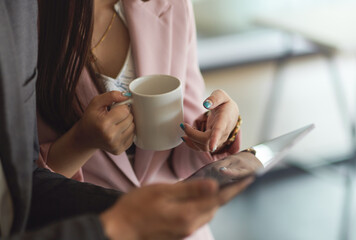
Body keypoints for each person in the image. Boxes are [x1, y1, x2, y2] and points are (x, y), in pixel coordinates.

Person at [0, 0, 252, 239]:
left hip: (177, 229)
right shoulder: (23, 18)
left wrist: (217, 132)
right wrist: (81, 141)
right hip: (93, 230)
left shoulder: (172, 5)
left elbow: (184, 156)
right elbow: (21, 189)